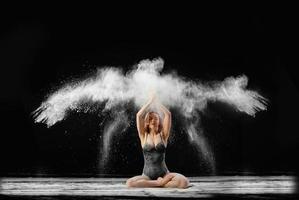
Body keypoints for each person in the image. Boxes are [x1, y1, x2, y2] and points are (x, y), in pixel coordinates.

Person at [126, 94, 190, 188]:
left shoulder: (163, 135)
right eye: (150, 119)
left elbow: (168, 114)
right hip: (147, 176)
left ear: (159, 121)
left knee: (184, 182)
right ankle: (159, 184)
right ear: (147, 122)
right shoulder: (143, 136)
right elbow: (139, 115)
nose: (153, 120)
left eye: (156, 118)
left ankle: (161, 182)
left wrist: (157, 102)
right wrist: (150, 101)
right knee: (129, 183)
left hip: (165, 174)